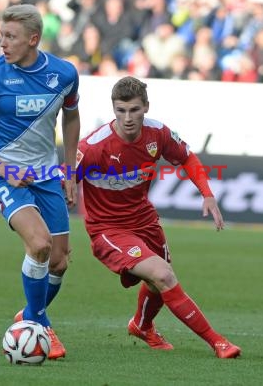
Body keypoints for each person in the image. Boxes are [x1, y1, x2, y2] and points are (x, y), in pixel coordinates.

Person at [74, 76, 241, 359]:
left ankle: (141, 326)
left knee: (155, 283)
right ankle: (218, 342)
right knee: (162, 275)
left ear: (146, 107)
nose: (128, 118)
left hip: (144, 220)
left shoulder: (158, 134)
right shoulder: (92, 147)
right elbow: (62, 182)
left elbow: (187, 157)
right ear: (113, 109)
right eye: (121, 110)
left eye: (135, 110)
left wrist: (207, 194)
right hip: (108, 229)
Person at [0, 4, 80, 360]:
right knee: (40, 244)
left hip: (46, 175)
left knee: (59, 261)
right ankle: (38, 324)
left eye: (10, 37)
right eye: (1, 36)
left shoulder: (64, 73)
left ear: (33, 39)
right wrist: (4, 169)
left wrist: (70, 170)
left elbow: (72, 119)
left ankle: (29, 315)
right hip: (5, 176)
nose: (3, 44)